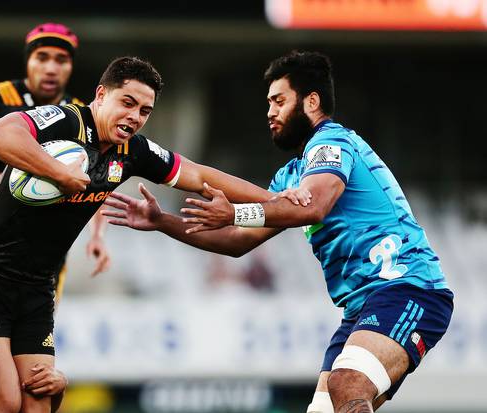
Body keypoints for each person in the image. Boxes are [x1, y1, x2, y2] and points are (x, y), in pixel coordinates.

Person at [101, 51, 454, 413]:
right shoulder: (289, 177)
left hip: (408, 288)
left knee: (347, 383)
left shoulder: (333, 142)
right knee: (328, 405)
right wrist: (164, 223)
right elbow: (238, 242)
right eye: (269, 103)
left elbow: (314, 207)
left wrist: (235, 211)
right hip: (361, 307)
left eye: (279, 101)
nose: (270, 112)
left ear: (311, 101)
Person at [0, 56, 278, 413]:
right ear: (100, 95)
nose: (135, 116)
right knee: (4, 404)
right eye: (127, 103)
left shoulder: (134, 151)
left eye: (144, 110)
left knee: (38, 402)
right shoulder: (65, 119)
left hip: (36, 286)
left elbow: (199, 175)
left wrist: (276, 200)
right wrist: (59, 173)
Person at [0, 22, 111, 286]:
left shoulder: (84, 114)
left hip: (47, 252)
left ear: (71, 66)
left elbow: (100, 179)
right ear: (28, 61)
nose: (51, 68)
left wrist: (97, 235)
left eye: (61, 60)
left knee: (38, 330)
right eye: (42, 57)